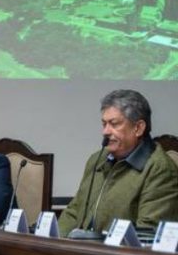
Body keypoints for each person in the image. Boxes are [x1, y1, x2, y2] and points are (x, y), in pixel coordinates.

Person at [58, 89, 178, 237]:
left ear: (138, 128)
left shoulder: (159, 169)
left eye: (114, 124)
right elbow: (74, 211)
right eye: (104, 124)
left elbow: (148, 235)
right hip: (80, 253)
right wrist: (51, 243)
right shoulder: (97, 160)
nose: (105, 132)